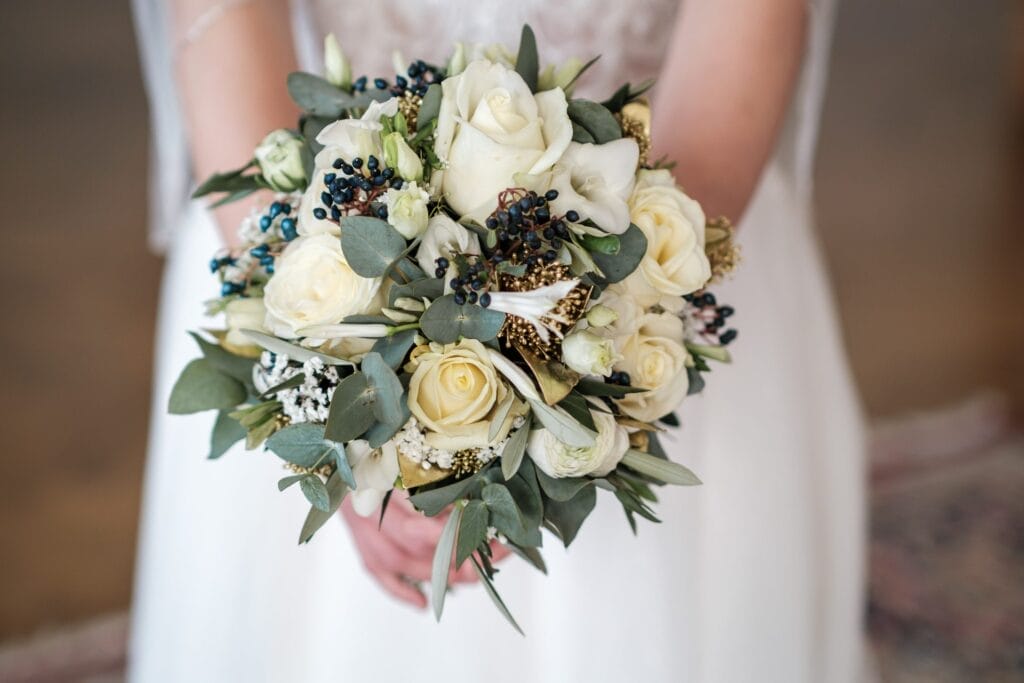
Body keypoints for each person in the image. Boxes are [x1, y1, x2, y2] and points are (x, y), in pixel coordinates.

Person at [130, 1, 871, 680]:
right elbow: (215, 19)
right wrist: (340, 384)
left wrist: (596, 341)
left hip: (676, 202)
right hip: (324, 213)